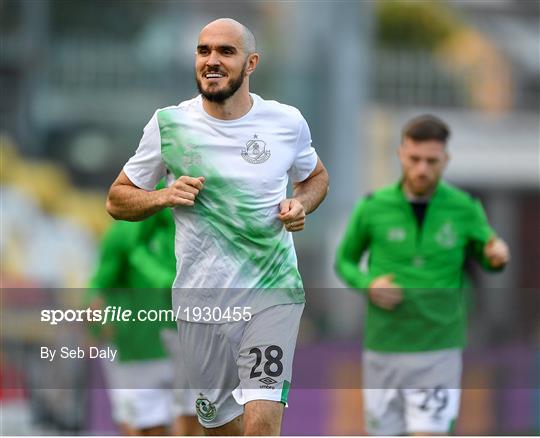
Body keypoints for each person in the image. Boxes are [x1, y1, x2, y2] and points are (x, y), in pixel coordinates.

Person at [106, 18, 329, 436]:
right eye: (203, 50)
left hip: (271, 293)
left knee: (261, 420)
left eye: (225, 52)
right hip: (199, 304)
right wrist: (163, 196)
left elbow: (315, 176)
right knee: (218, 429)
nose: (211, 60)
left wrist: (300, 204)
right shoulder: (168, 125)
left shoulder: (285, 122)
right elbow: (117, 199)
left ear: (250, 63)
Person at [335, 114, 509, 436]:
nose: (422, 169)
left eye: (432, 161)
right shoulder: (373, 206)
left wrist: (496, 256)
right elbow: (344, 261)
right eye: (414, 159)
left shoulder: (465, 207)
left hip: (438, 349)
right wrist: (367, 284)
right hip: (384, 347)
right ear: (401, 154)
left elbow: (488, 253)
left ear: (446, 159)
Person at [87, 203, 201, 436]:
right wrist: (98, 326)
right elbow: (98, 286)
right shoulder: (122, 234)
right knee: (143, 424)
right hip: (137, 345)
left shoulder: (197, 230)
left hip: (185, 340)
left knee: (194, 418)